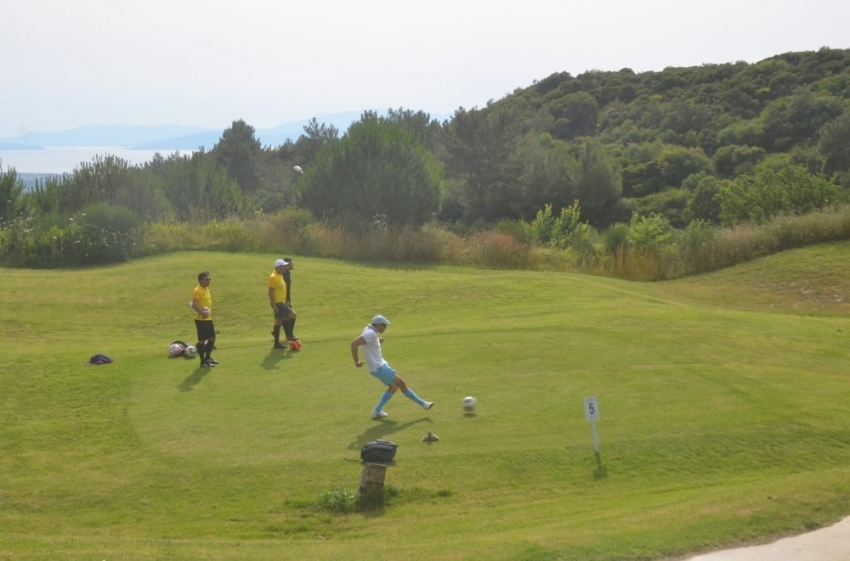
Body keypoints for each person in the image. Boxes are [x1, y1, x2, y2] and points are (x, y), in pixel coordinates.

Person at [350, 315, 433, 419]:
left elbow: (368, 343)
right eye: (384, 326)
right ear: (379, 325)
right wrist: (356, 361)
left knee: (393, 387)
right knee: (401, 383)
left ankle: (377, 411)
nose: (385, 328)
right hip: (379, 368)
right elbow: (354, 344)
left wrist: (377, 341)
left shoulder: (369, 331)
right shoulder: (371, 334)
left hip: (377, 367)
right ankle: (423, 404)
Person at [269, 258, 297, 349]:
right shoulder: (273, 277)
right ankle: (289, 335)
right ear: (279, 267)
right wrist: (273, 305)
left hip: (282, 302)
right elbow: (271, 292)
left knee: (278, 322)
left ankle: (276, 344)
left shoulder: (280, 275)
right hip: (278, 303)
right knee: (293, 315)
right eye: (284, 266)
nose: (285, 267)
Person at [191, 271, 218, 367]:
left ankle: (208, 358)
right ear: (200, 280)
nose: (208, 281)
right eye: (206, 279)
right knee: (202, 340)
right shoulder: (197, 290)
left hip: (208, 319)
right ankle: (202, 362)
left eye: (209, 279)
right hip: (201, 320)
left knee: (212, 338)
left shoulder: (206, 289)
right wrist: (202, 313)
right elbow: (193, 305)